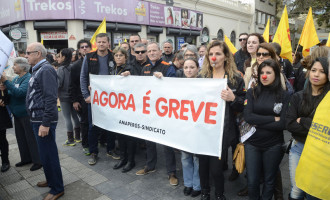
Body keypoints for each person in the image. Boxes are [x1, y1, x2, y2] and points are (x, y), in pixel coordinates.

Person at [199, 40, 245, 200]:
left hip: (224, 130)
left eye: (218, 53)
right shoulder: (202, 77)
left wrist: (233, 99)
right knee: (203, 165)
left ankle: (219, 194)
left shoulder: (235, 79)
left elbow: (244, 105)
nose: (214, 57)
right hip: (203, 129)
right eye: (210, 54)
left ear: (226, 56)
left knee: (217, 169)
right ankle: (205, 192)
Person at [243, 59, 290, 200]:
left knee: (269, 181)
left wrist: (258, 121)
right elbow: (248, 117)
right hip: (252, 144)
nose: (264, 76)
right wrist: (272, 118)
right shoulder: (251, 92)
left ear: (276, 74)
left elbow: (283, 124)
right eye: (262, 72)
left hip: (273, 145)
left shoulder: (284, 95)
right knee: (252, 181)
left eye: (268, 72)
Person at [25, 42, 64, 199]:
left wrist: (45, 123)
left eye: (28, 53)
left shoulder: (46, 69)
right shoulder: (38, 69)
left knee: (49, 154)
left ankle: (57, 188)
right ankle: (51, 180)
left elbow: (50, 98)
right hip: (37, 119)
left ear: (38, 54)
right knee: (44, 154)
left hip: (42, 119)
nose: (25, 56)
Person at [286, 57, 329, 200]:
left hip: (320, 153)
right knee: (297, 191)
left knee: (313, 193)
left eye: (322, 71)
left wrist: (303, 120)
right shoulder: (297, 97)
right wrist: (314, 126)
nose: (316, 75)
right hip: (299, 147)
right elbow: (290, 124)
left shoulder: (327, 100)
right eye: (313, 70)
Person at [136, 42, 178, 186]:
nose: (152, 53)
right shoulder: (145, 68)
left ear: (160, 52)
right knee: (149, 139)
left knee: (167, 143)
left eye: (154, 50)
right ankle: (150, 165)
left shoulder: (168, 66)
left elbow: (175, 88)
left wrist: (164, 80)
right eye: (149, 51)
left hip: (164, 111)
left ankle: (171, 172)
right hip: (149, 109)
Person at [80, 33, 121, 165]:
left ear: (108, 43)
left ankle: (111, 149)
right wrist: (86, 95)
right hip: (94, 99)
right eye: (99, 42)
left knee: (111, 125)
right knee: (93, 126)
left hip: (111, 98)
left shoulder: (113, 56)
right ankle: (93, 152)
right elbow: (83, 77)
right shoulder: (89, 57)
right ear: (95, 43)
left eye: (104, 42)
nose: (101, 44)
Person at [1, 58, 41, 171]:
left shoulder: (27, 78)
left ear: (23, 66)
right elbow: (10, 92)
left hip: (26, 114)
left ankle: (37, 160)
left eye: (15, 64)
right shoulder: (16, 79)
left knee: (31, 138)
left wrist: (6, 82)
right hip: (17, 114)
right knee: (21, 138)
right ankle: (26, 158)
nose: (13, 67)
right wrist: (4, 92)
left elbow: (20, 93)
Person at [111, 47, 136, 173]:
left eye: (121, 55)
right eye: (116, 55)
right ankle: (123, 158)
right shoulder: (113, 69)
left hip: (128, 108)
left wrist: (130, 75)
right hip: (117, 108)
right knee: (119, 134)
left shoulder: (130, 69)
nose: (118, 57)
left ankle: (131, 160)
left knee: (129, 136)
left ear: (126, 57)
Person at [181, 58, 201, 197]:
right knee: (185, 157)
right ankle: (188, 183)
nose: (189, 70)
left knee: (196, 158)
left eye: (192, 67)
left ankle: (197, 185)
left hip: (198, 127)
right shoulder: (178, 84)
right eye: (186, 67)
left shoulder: (204, 84)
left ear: (197, 69)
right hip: (183, 127)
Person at [71, 39, 92, 155]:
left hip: (96, 98)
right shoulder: (75, 66)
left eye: (86, 46)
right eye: (82, 47)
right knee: (84, 122)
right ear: (79, 50)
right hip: (81, 99)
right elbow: (72, 85)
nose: (84, 48)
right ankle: (85, 144)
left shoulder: (94, 61)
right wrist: (74, 101)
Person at [57, 48, 80, 146]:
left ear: (64, 57)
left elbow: (58, 83)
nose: (58, 58)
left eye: (59, 56)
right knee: (75, 116)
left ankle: (70, 140)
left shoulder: (61, 69)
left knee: (67, 117)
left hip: (64, 96)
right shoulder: (73, 66)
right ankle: (78, 137)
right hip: (74, 96)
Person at [0, 82, 12, 172]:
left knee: (2, 139)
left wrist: (4, 91)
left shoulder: (2, 85)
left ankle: (5, 161)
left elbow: (6, 101)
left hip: (1, 117)